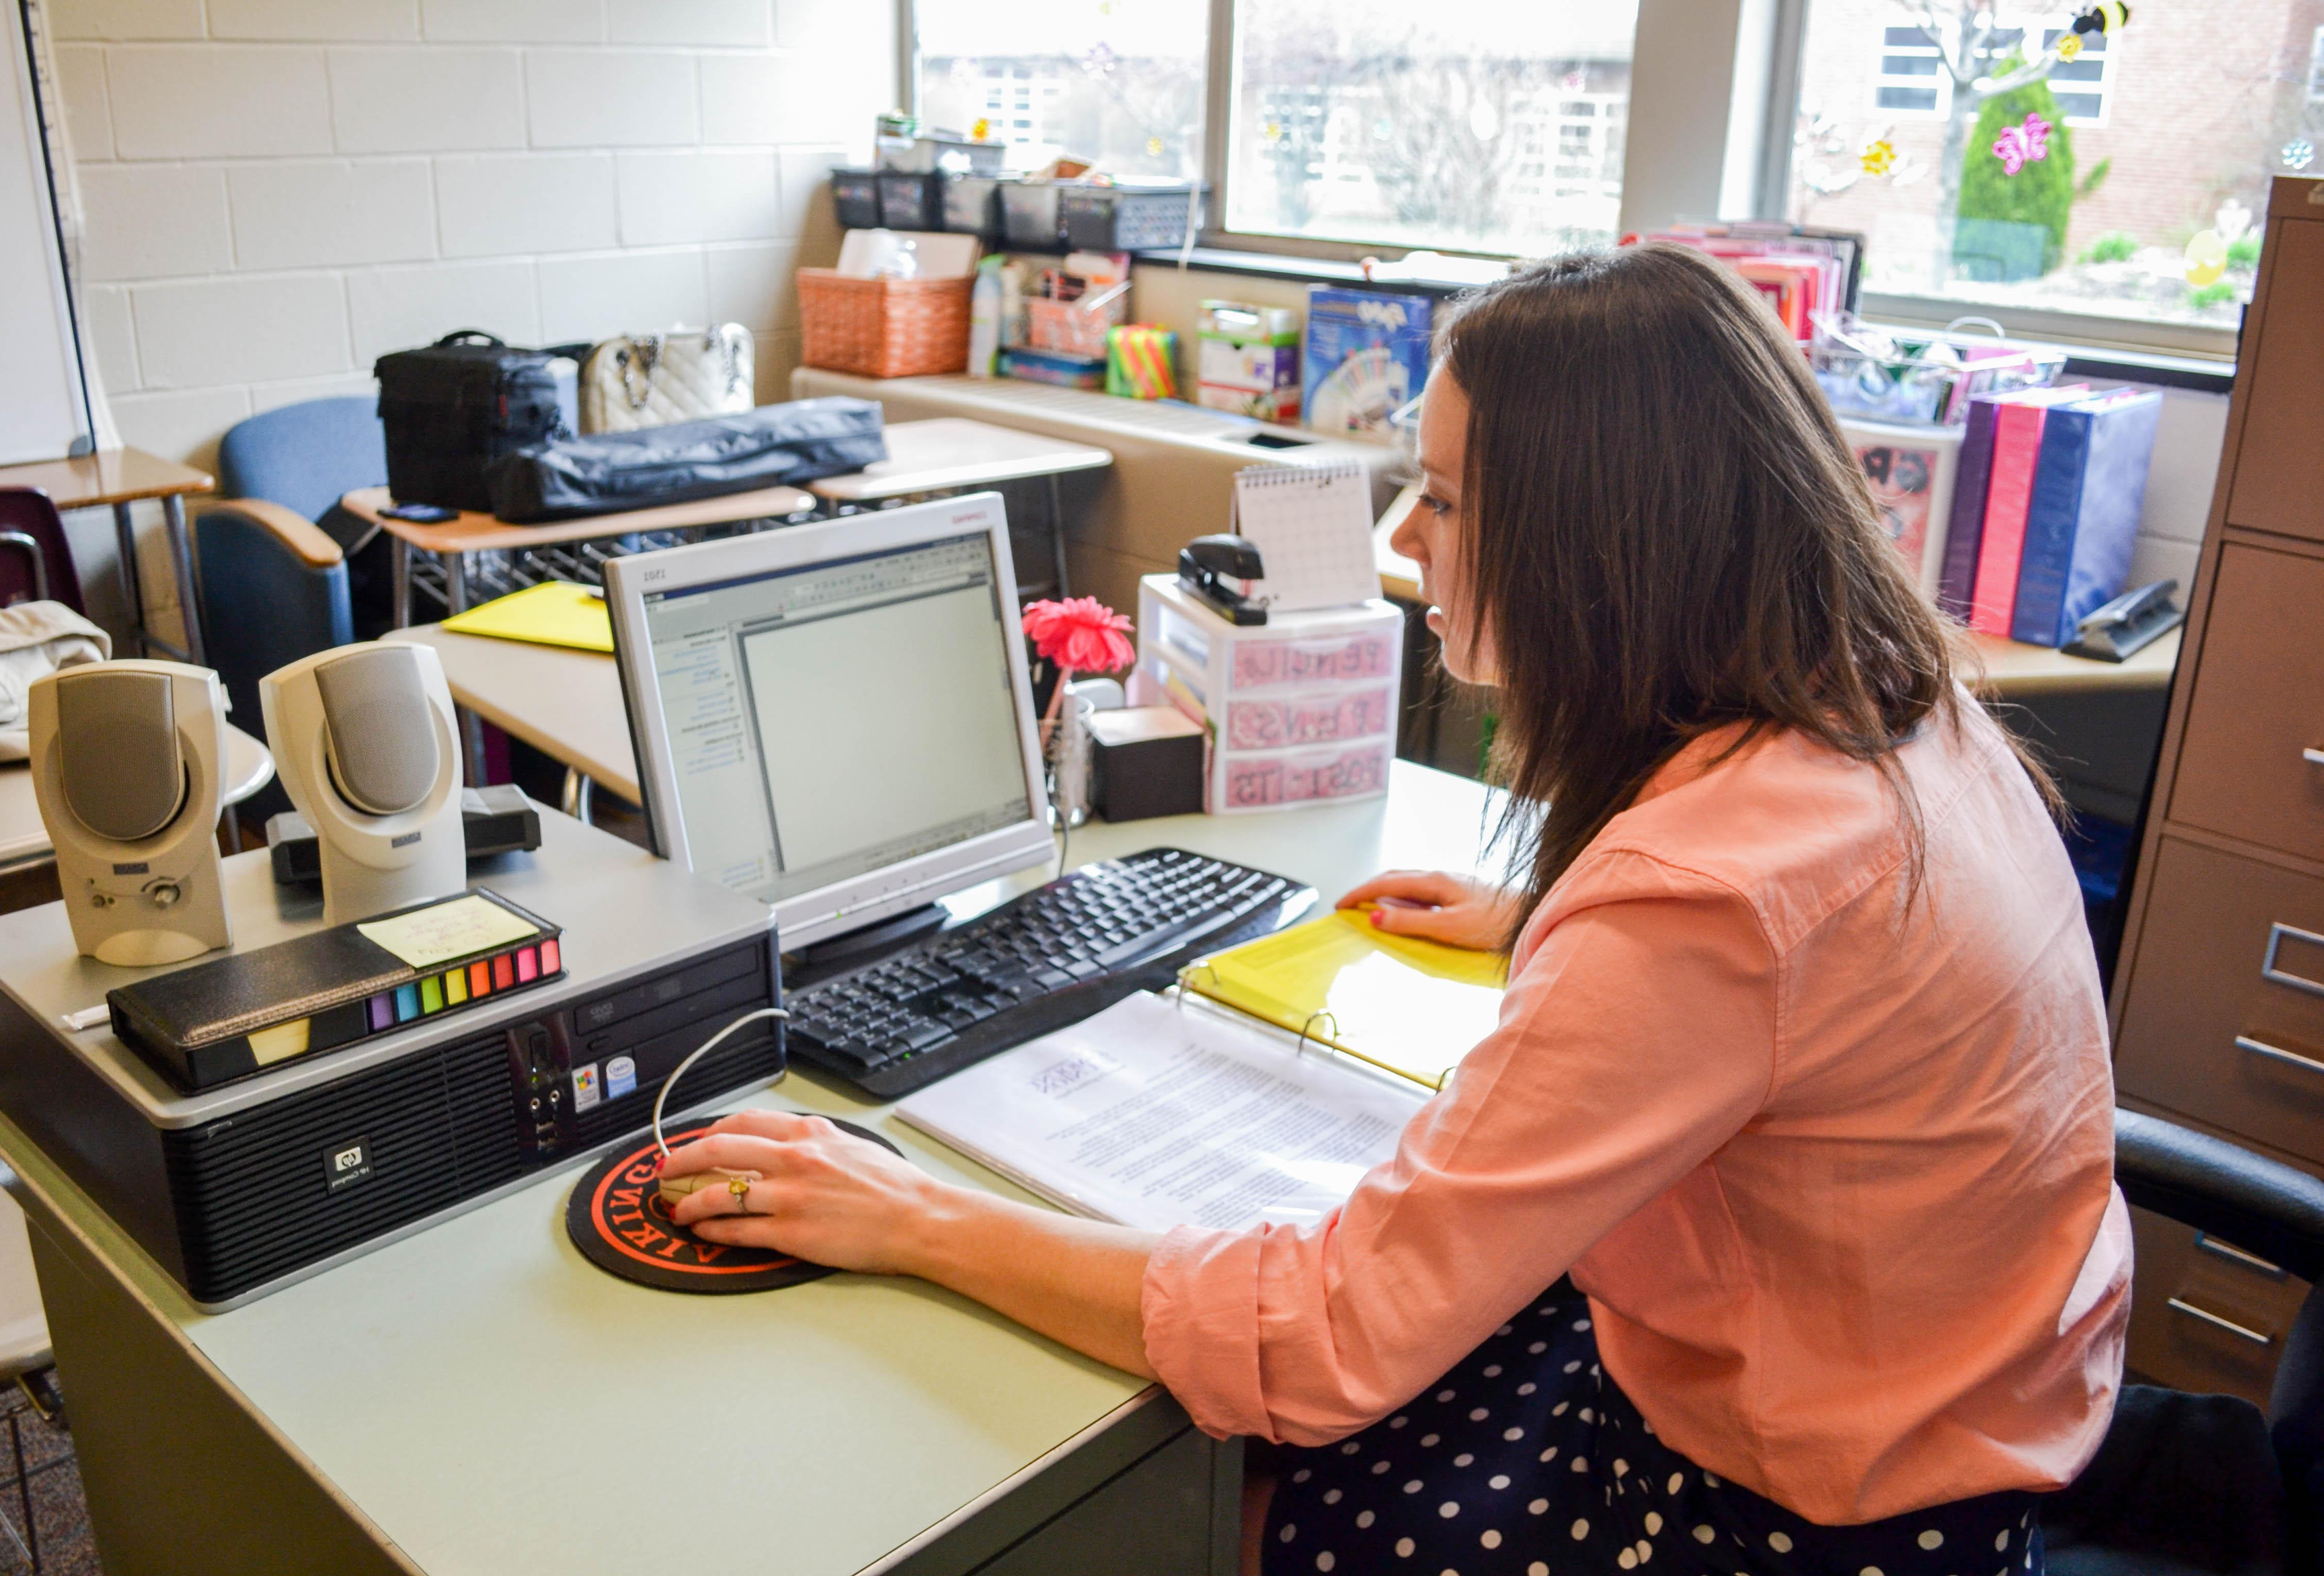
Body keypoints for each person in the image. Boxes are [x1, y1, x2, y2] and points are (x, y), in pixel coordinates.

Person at [658, 242, 2128, 1574]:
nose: (1405, 538)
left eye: (1444, 496)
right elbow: (1810, 977)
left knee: (1233, 1477)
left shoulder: (1704, 906)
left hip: (1791, 1521)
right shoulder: (1889, 713)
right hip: (1943, 1404)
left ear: (1607, 547)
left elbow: (1320, 1341)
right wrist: (1544, 919)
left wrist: (917, 1214)